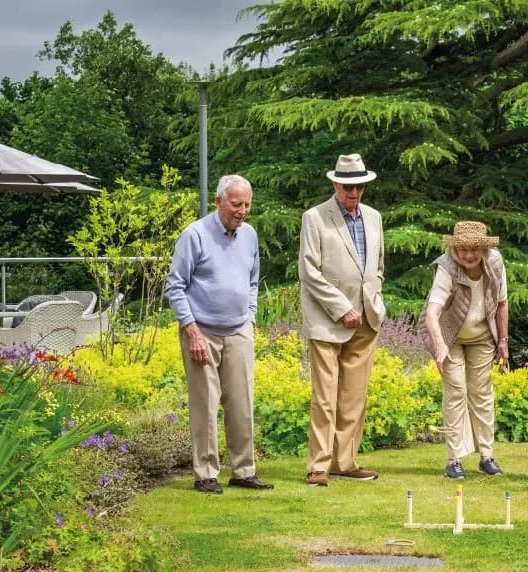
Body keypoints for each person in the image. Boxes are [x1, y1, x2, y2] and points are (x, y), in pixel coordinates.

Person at [165, 174, 273, 494]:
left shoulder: (250, 235)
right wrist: (192, 330)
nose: (242, 211)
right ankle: (206, 473)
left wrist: (250, 318)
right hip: (201, 331)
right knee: (206, 403)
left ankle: (243, 470)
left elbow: (253, 281)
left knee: (241, 402)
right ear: (218, 202)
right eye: (236, 204)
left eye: (247, 205)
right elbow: (175, 286)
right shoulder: (194, 235)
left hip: (239, 329)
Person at [299, 154, 386, 487]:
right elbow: (309, 271)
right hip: (328, 320)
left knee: (354, 396)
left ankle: (345, 461)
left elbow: (377, 267)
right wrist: (341, 307)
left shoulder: (375, 217)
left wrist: (372, 301)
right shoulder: (315, 217)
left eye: (359, 187)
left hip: (366, 318)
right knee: (325, 396)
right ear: (335, 183)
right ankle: (318, 466)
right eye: (348, 186)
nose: (354, 192)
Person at [420, 221, 509, 479]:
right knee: (456, 390)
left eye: (474, 250)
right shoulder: (446, 267)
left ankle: (486, 456)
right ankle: (454, 460)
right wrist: (439, 347)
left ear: (483, 248)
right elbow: (432, 313)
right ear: (455, 248)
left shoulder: (494, 263)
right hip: (449, 337)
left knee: (482, 393)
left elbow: (502, 303)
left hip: (482, 335)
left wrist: (503, 341)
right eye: (462, 250)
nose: (468, 255)